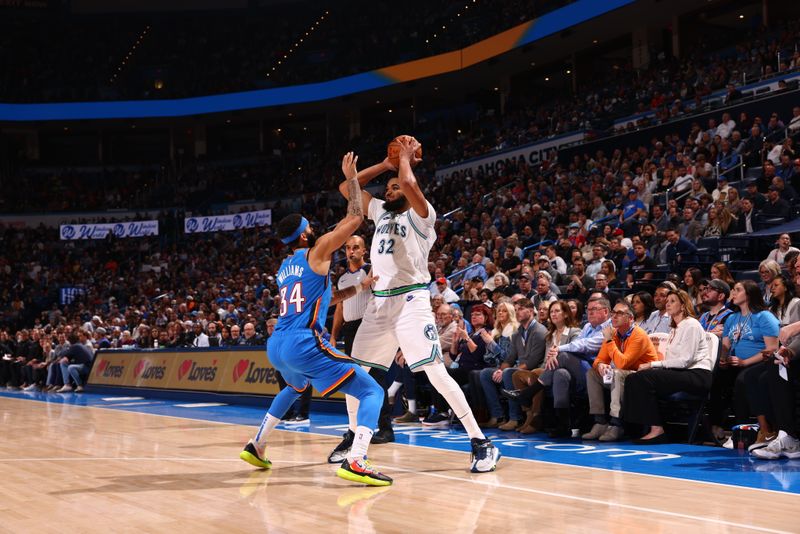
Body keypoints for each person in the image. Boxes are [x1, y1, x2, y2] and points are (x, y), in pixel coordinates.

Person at [330, 138, 500, 473]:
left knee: (434, 371)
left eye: (396, 188)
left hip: (411, 300)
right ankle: (353, 435)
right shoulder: (379, 212)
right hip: (380, 305)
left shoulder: (423, 217)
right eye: (388, 188)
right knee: (354, 373)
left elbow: (409, 182)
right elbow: (346, 189)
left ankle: (481, 442)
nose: (391, 190)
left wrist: (405, 160)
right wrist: (384, 165)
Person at [239, 152, 392, 487]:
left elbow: (321, 301)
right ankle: (357, 460)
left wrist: (355, 291)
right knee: (371, 391)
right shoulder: (318, 250)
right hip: (302, 343)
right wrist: (352, 179)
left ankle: (257, 444)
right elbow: (355, 217)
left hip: (277, 344)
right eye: (311, 224)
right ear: (306, 234)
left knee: (296, 385)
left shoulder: (284, 268)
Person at [506, 296, 612, 438]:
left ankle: (528, 393)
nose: (590, 313)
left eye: (594, 309)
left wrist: (559, 349)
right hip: (574, 370)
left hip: (595, 372)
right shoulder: (587, 327)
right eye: (589, 309)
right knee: (560, 374)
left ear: (605, 311)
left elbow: (584, 345)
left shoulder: (609, 328)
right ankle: (563, 425)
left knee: (563, 356)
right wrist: (559, 351)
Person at [624, 290, 713, 444]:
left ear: (683, 305)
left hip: (697, 375)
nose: (668, 304)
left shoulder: (691, 324)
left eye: (672, 301)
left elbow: (685, 360)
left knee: (642, 378)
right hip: (681, 373)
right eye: (667, 301)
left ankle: (656, 429)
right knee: (633, 378)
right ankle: (635, 428)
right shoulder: (674, 329)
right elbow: (673, 361)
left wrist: (652, 364)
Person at [329, 234, 394, 444]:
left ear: (364, 250)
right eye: (348, 248)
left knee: (376, 378)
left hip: (370, 328)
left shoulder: (371, 271)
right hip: (350, 330)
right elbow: (340, 306)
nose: (351, 251)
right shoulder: (341, 278)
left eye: (356, 247)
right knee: (355, 380)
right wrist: (333, 335)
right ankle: (355, 428)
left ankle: (385, 428)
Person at [712, 280, 780, 451]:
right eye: (733, 290)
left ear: (749, 294)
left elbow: (772, 348)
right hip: (736, 363)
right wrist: (723, 359)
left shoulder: (764, 316)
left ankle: (752, 430)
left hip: (762, 363)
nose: (733, 293)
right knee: (714, 377)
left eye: (737, 290)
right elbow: (726, 345)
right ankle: (720, 428)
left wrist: (744, 362)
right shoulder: (732, 318)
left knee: (743, 379)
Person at [583, 300, 658, 442]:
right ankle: (599, 422)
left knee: (617, 373)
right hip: (624, 375)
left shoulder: (639, 335)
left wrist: (610, 341)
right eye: (613, 313)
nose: (614, 316)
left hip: (642, 377)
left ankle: (616, 424)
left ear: (630, 318)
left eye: (619, 313)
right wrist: (600, 366)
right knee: (592, 374)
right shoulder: (614, 334)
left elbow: (622, 363)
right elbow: (598, 360)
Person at [478, 299, 545, 430]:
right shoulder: (516, 333)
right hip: (519, 368)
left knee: (509, 373)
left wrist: (505, 371)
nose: (517, 312)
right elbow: (510, 358)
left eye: (520, 309)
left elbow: (532, 361)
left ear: (530, 311)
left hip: (535, 370)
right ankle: (497, 416)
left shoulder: (539, 331)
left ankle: (516, 418)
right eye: (516, 310)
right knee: (486, 373)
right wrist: (500, 370)